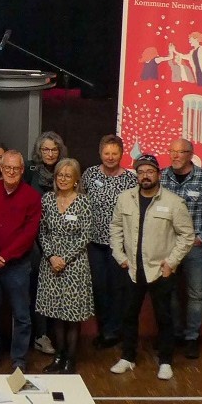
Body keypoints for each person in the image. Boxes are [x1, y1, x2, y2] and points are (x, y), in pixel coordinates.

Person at [109, 153, 194, 381]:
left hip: (160, 270)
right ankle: (128, 357)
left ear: (158, 174)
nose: (145, 176)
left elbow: (186, 236)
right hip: (132, 269)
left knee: (165, 317)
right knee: (128, 315)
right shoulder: (125, 199)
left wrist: (172, 262)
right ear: (136, 175)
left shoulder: (174, 203)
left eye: (149, 171)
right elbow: (115, 228)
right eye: (141, 172)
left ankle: (165, 361)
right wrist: (120, 256)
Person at [0, 150, 41, 372]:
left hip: (17, 265)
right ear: (0, 169)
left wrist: (4, 256)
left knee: (22, 315)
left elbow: (29, 233)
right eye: (7, 168)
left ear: (22, 170)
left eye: (16, 168)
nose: (11, 172)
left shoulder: (32, 196)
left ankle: (19, 359)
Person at [160, 137, 202, 359]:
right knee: (171, 293)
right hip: (168, 247)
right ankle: (175, 334)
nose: (175, 156)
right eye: (171, 151)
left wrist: (201, 238)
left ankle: (191, 337)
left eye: (180, 152)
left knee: (196, 294)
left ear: (190, 154)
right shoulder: (162, 177)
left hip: (194, 248)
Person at [36, 158, 94, 373]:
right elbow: (42, 231)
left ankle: (70, 359)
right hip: (50, 265)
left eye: (68, 175)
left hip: (75, 266)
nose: (63, 179)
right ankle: (58, 357)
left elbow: (86, 235)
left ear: (76, 179)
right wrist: (52, 256)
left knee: (72, 316)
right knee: (55, 314)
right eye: (60, 175)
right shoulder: (47, 200)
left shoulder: (83, 202)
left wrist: (64, 258)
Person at [80, 135, 138, 351]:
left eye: (115, 153)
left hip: (119, 245)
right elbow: (80, 202)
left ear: (121, 154)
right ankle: (103, 329)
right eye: (107, 153)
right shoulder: (90, 174)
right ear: (100, 153)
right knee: (99, 287)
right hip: (94, 243)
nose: (111, 157)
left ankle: (114, 331)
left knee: (119, 289)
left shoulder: (130, 180)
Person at [27, 132, 66, 356]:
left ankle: (57, 335)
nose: (50, 154)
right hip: (33, 240)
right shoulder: (29, 171)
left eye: (54, 150)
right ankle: (39, 336)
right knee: (36, 289)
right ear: (39, 152)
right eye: (45, 150)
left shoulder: (66, 172)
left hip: (58, 240)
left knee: (57, 290)